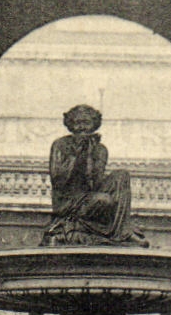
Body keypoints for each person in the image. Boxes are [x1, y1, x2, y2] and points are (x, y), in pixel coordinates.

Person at [43, 104, 147, 247]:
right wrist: (76, 154)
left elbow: (95, 184)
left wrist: (90, 154)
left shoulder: (100, 149)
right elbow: (58, 180)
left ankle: (122, 231)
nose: (82, 128)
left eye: (86, 123)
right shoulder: (60, 145)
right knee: (104, 200)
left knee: (122, 175)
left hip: (88, 197)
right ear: (71, 125)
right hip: (68, 201)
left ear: (93, 125)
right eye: (77, 123)